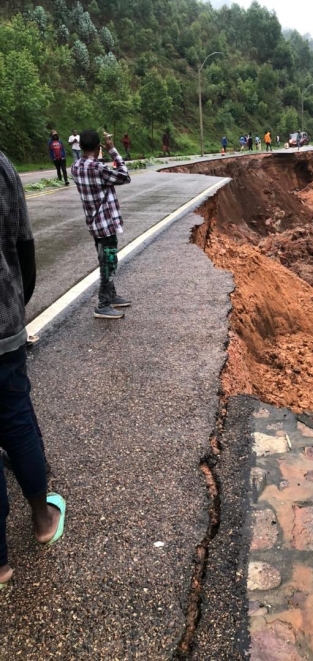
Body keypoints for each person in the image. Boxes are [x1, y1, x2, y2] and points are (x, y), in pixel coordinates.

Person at [0, 149, 66, 589]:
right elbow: (25, 249)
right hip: (2, 326)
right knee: (17, 422)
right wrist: (15, 312)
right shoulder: (2, 167)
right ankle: (42, 519)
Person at [71, 130, 131, 319]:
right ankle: (103, 304)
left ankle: (111, 296)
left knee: (105, 260)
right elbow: (124, 176)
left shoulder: (75, 167)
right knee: (109, 263)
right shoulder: (98, 168)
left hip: (94, 223)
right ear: (99, 147)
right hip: (105, 225)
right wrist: (113, 151)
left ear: (80, 147)